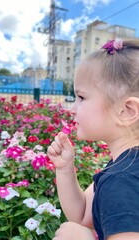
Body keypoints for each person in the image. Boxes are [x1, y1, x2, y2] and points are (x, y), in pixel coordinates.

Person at [47, 38, 139, 240]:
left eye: (81, 97)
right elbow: (82, 215)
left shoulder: (122, 180)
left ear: (126, 111)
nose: (72, 109)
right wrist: (64, 169)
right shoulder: (122, 166)